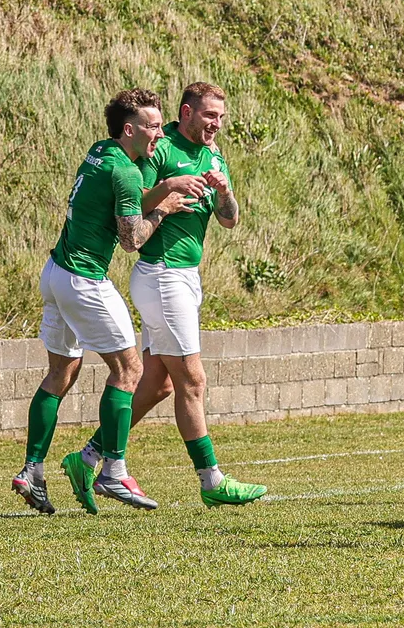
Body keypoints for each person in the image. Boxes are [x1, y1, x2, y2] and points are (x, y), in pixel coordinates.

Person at [63, 83, 267, 512]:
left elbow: (229, 220)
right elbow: (132, 203)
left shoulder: (213, 157)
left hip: (187, 277)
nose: (216, 124)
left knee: (158, 384)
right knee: (193, 381)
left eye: (221, 118)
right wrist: (169, 187)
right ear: (187, 112)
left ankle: (88, 458)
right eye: (210, 116)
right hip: (161, 276)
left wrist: (225, 193)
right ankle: (211, 479)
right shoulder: (159, 146)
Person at [12, 89, 188, 514]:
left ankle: (32, 469)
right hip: (83, 280)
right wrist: (163, 210)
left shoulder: (101, 151)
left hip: (54, 272)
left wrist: (160, 187)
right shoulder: (125, 173)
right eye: (152, 125)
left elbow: (121, 199)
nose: (159, 132)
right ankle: (113, 471)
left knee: (60, 373)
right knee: (129, 369)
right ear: (130, 129)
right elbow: (130, 239)